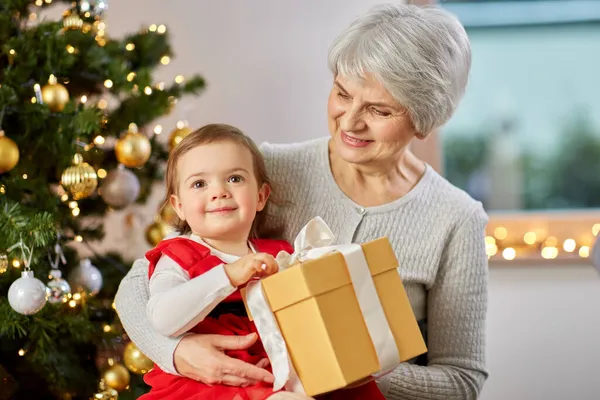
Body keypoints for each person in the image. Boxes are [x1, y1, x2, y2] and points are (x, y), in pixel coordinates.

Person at [115, 4, 489, 400]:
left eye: (378, 110)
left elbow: (461, 381)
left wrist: (359, 367)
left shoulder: (456, 219)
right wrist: (177, 353)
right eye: (343, 93)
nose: (349, 122)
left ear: (425, 119)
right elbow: (137, 286)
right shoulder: (265, 170)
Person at [135, 124, 384, 400]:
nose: (219, 191)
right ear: (178, 206)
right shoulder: (178, 256)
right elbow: (162, 318)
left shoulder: (280, 254)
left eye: (234, 179)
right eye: (199, 184)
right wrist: (227, 276)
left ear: (261, 197)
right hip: (211, 385)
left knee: (358, 390)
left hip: (280, 373)